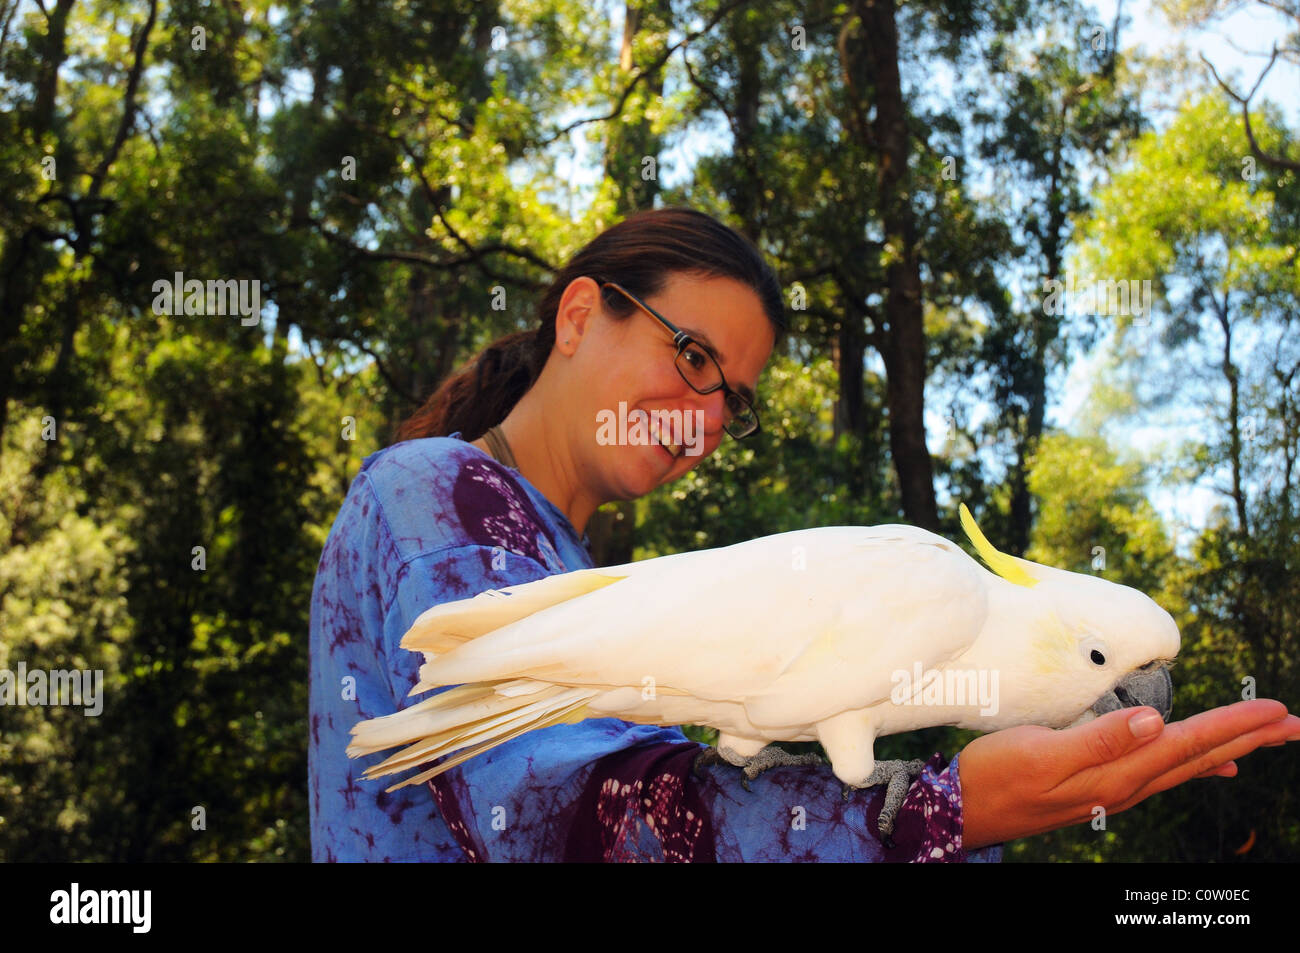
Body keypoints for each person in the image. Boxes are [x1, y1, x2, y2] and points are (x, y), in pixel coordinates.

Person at [308, 206, 1300, 862]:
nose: (701, 414)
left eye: (731, 396)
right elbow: (552, 819)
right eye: (689, 352)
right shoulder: (435, 495)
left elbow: (695, 786)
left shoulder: (561, 558)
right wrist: (941, 810)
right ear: (578, 315)